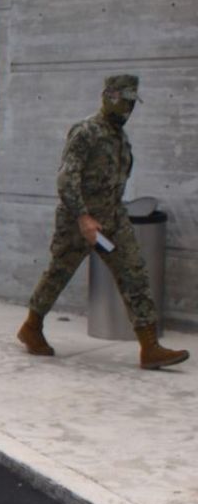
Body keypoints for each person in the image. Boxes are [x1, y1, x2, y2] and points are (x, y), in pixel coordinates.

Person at [18, 75, 188, 370]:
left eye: (133, 102)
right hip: (78, 220)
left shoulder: (121, 138)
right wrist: (83, 217)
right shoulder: (86, 132)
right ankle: (31, 327)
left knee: (134, 273)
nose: (129, 107)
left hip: (113, 219)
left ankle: (150, 347)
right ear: (108, 97)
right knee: (59, 272)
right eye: (125, 100)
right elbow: (66, 178)